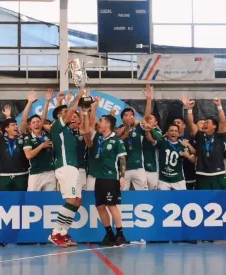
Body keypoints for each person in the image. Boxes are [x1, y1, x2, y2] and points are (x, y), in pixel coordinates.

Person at [48, 90, 88, 247]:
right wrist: (78, 97)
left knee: (77, 201)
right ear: (60, 117)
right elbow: (69, 112)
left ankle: (63, 233)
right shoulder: (57, 127)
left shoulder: (70, 132)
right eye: (66, 113)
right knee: (71, 200)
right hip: (65, 167)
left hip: (74, 168)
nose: (71, 115)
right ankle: (54, 233)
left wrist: (84, 111)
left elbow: (85, 130)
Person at [86, 115, 127, 246]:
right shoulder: (99, 138)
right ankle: (109, 234)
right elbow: (88, 127)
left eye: (102, 121)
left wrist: (122, 177)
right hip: (99, 178)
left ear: (108, 124)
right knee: (100, 207)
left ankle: (120, 234)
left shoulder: (116, 141)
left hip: (111, 178)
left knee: (112, 205)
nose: (99, 123)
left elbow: (122, 160)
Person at [181, 95, 226, 190]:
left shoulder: (219, 136)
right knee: (203, 201)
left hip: (218, 174)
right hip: (202, 174)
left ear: (214, 126)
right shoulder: (200, 136)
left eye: (207, 122)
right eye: (203, 123)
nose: (204, 124)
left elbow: (222, 121)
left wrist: (219, 106)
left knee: (221, 200)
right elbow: (191, 123)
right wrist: (189, 109)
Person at [117, 85, 153, 191]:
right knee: (122, 195)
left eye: (131, 114)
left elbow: (146, 118)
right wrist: (127, 128)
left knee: (143, 194)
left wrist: (149, 99)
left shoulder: (138, 128)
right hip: (124, 169)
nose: (129, 116)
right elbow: (122, 139)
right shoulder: (118, 131)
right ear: (122, 119)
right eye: (126, 115)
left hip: (138, 168)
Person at [0, 108, 30, 191]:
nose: (16, 126)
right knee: (4, 201)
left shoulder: (23, 138)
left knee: (22, 202)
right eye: (13, 125)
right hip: (5, 177)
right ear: (7, 129)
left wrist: (8, 116)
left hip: (21, 176)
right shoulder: (1, 139)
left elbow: (24, 121)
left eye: (16, 125)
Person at [153, 124, 195, 190]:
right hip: (163, 179)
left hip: (178, 179)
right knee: (162, 199)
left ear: (178, 134)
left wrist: (188, 156)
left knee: (181, 199)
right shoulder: (162, 142)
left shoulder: (182, 145)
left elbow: (194, 160)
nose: (173, 132)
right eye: (171, 130)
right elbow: (151, 140)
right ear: (167, 133)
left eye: (176, 131)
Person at [23, 115, 56, 192]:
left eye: (38, 122)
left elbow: (55, 128)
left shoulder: (48, 135)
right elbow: (28, 155)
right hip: (35, 172)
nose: (36, 124)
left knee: (50, 198)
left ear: (41, 123)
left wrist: (46, 126)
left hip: (50, 171)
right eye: (33, 123)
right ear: (30, 126)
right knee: (32, 199)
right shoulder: (28, 138)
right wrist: (41, 146)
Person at [173, 118, 197, 190]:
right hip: (173, 176)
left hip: (188, 174)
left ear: (184, 125)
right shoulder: (170, 138)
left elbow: (195, 156)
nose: (176, 124)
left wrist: (188, 146)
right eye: (174, 122)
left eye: (178, 122)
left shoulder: (190, 138)